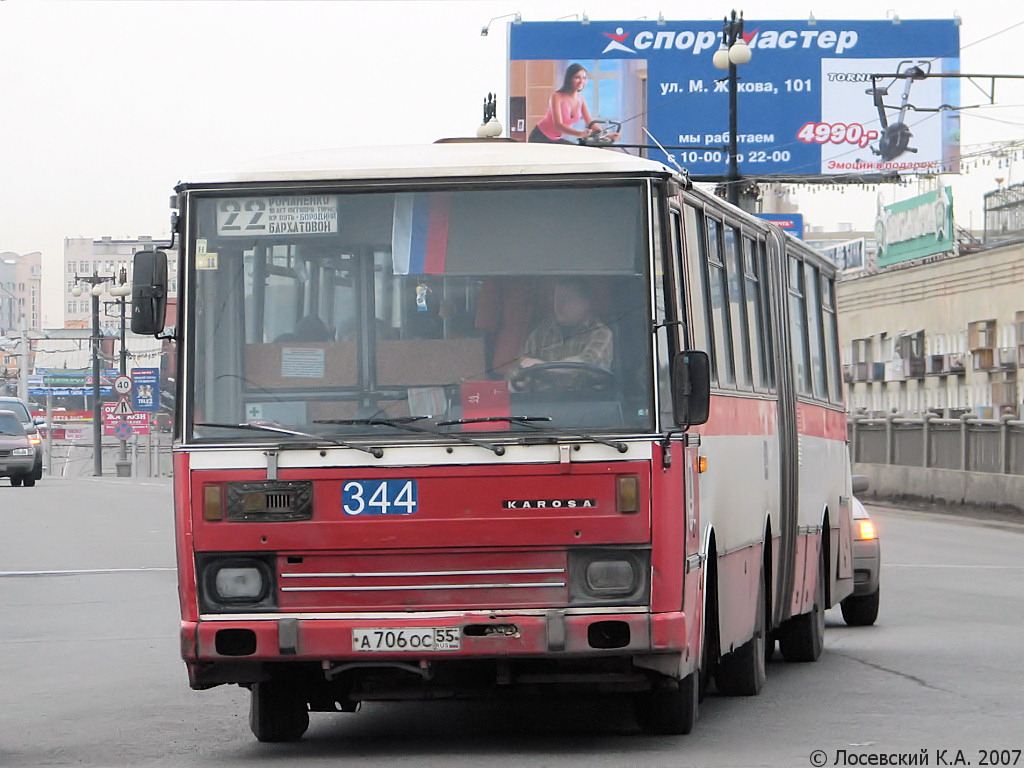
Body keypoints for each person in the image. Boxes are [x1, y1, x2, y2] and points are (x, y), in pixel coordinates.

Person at [518, 278, 613, 371]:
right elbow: (523, 365)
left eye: (567, 299)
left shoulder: (601, 333)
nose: (559, 306)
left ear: (585, 304)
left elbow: (586, 365)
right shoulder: (542, 332)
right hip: (542, 387)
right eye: (557, 299)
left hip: (584, 386)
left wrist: (543, 366)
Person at [528, 63, 620, 145]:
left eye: (584, 78)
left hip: (555, 139)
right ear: (569, 79)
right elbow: (558, 126)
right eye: (577, 77)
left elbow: (590, 123)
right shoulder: (557, 97)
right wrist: (580, 134)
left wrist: (606, 135)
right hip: (540, 137)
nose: (581, 81)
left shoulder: (580, 98)